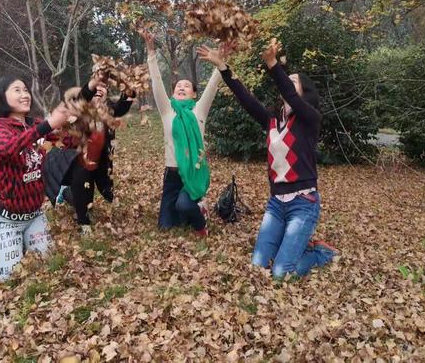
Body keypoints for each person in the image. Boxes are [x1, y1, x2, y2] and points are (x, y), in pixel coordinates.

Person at [197, 41, 337, 277]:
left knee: (281, 272)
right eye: (286, 79)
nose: (287, 85)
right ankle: (293, 243)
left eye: (293, 82)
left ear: (304, 93)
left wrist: (273, 64)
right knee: (258, 264)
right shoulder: (273, 121)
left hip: (303, 203)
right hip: (276, 204)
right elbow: (246, 98)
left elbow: (290, 94)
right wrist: (222, 66)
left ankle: (320, 253)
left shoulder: (309, 119)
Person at [0, 76, 69, 281]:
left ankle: (26, 240)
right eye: (17, 90)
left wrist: (69, 124)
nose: (25, 95)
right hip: (5, 219)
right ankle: (13, 243)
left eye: (25, 90)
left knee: (49, 266)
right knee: (6, 279)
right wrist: (47, 125)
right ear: (1, 97)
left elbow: (65, 140)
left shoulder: (35, 125)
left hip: (34, 216)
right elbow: (10, 147)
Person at [139, 28, 221, 237]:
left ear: (194, 93)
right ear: (173, 92)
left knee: (185, 207)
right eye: (178, 86)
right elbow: (156, 83)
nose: (182, 87)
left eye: (187, 86)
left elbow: (213, 84)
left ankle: (200, 221)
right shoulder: (168, 112)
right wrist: (151, 53)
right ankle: (188, 207)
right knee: (166, 227)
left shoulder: (198, 110)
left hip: (193, 171)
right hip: (172, 174)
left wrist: (221, 61)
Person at [44, 77, 133, 234]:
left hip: (99, 160)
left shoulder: (108, 110)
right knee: (81, 194)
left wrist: (129, 92)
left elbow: (121, 107)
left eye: (103, 87)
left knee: (88, 200)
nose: (100, 89)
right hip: (76, 159)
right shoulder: (79, 108)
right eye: (96, 87)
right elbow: (81, 98)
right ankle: (83, 223)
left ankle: (66, 193)